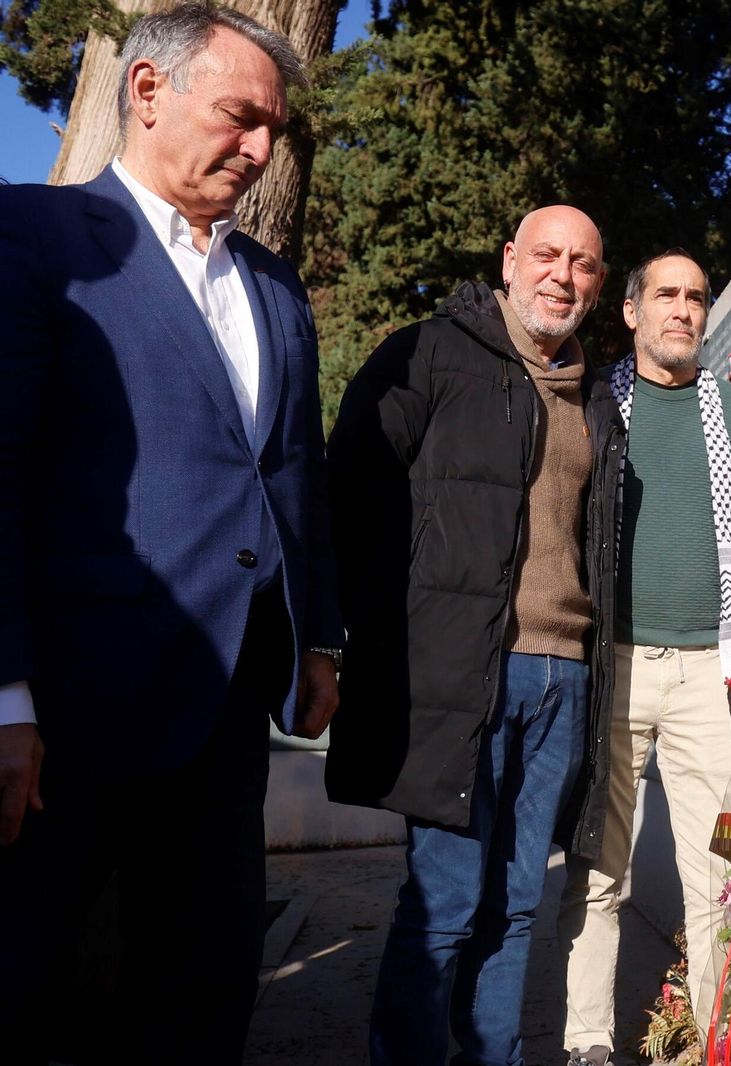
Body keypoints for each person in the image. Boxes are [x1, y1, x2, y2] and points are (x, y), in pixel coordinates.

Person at [0, 5, 340, 1062]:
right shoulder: (36, 239)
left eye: (274, 130)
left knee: (204, 990)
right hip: (66, 715)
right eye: (242, 117)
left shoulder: (274, 287)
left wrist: (319, 637)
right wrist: (6, 696)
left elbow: (292, 471)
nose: (261, 150)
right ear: (147, 91)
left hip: (227, 713)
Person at [324, 206, 624, 1066]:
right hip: (460, 672)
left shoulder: (598, 399)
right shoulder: (430, 353)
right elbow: (350, 492)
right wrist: (368, 638)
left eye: (582, 263)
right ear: (509, 260)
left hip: (563, 679)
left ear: (599, 284)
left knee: (517, 905)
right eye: (547, 255)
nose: (562, 275)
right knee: (446, 903)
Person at [559, 250, 731, 1066]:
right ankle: (588, 1040)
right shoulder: (595, 404)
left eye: (696, 297)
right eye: (666, 294)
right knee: (599, 867)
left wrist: (709, 604)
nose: (683, 309)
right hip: (613, 668)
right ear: (632, 311)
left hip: (709, 676)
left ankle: (717, 1039)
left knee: (719, 876)